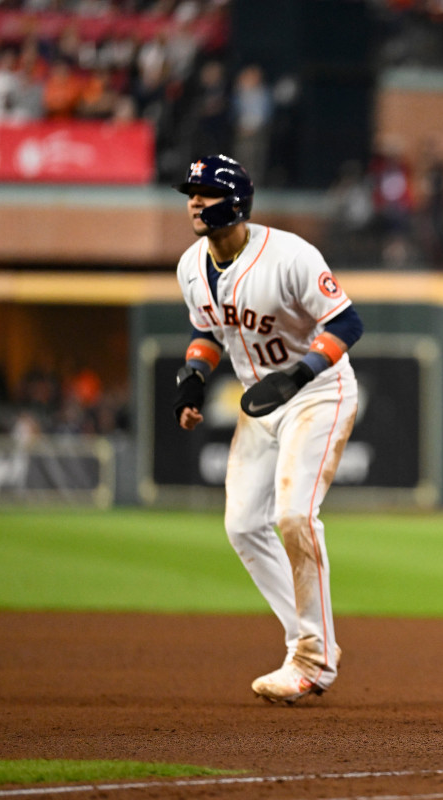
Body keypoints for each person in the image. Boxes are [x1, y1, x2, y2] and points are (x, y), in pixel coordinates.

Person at [171, 154, 363, 704]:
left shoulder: (290, 256)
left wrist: (302, 372)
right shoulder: (190, 265)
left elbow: (347, 322)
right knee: (243, 525)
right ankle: (309, 640)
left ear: (234, 203)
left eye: (205, 193)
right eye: (191, 192)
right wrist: (194, 377)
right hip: (260, 401)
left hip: (317, 393)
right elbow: (206, 330)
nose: (194, 202)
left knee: (294, 516)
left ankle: (313, 659)